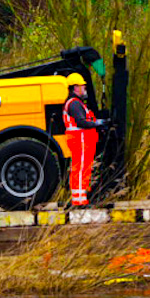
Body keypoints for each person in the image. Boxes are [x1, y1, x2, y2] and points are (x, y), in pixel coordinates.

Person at [63, 79, 103, 209]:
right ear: (75, 87)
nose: (84, 87)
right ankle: (78, 200)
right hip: (79, 139)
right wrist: (97, 123)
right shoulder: (74, 104)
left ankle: (82, 197)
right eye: (82, 85)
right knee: (79, 168)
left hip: (82, 139)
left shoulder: (77, 103)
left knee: (83, 168)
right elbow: (81, 122)